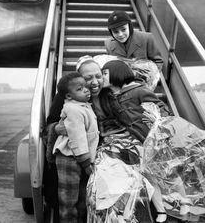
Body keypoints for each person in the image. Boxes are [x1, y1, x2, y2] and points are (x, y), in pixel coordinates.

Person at [101, 59, 169, 222]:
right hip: (135, 140)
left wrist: (156, 118)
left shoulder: (138, 91)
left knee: (156, 173)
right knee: (144, 174)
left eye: (104, 74)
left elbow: (163, 110)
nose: (101, 77)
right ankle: (153, 211)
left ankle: (170, 208)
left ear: (116, 73)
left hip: (149, 138)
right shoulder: (112, 97)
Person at [53, 72, 99, 223]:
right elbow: (77, 138)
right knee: (68, 198)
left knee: (81, 196)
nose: (86, 90)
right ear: (68, 96)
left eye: (86, 87)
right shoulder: (73, 109)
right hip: (69, 157)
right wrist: (86, 163)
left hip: (79, 156)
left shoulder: (84, 106)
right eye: (80, 89)